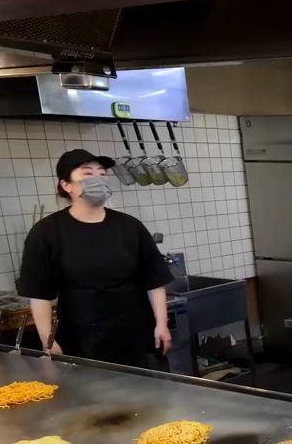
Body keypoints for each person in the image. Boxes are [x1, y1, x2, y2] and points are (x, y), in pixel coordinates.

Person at [16, 149, 175, 367]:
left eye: (102, 174)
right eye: (88, 174)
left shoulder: (129, 226)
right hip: (82, 341)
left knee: (152, 399)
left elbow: (154, 281)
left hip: (137, 337)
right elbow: (39, 294)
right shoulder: (47, 232)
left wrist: (161, 324)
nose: (98, 179)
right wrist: (47, 340)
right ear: (66, 185)